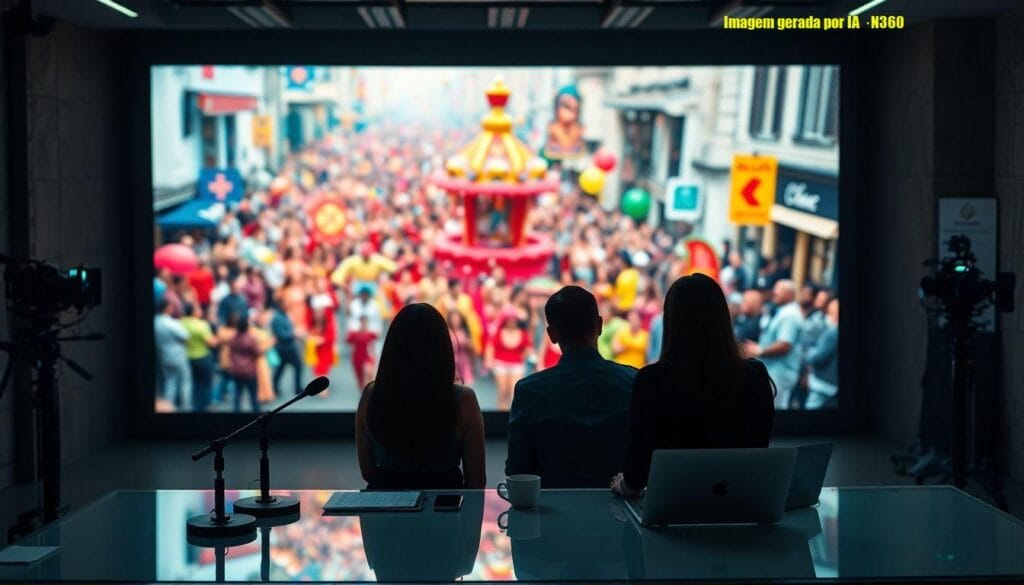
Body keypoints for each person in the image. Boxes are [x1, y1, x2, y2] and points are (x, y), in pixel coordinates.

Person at [611, 274, 775, 496]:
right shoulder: (754, 376)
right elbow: (758, 452)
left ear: (671, 321)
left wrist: (624, 486)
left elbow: (637, 473)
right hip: (739, 505)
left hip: (672, 506)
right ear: (722, 318)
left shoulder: (652, 380)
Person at [507, 286, 636, 488]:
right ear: (599, 325)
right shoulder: (634, 381)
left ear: (551, 335)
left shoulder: (530, 391)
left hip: (552, 507)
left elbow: (518, 471)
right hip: (619, 505)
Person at [355, 303, 486, 489]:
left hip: (389, 503)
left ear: (392, 347)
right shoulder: (464, 399)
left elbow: (368, 472)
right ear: (443, 347)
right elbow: (477, 481)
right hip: (445, 504)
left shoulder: (371, 396)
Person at [744, 279, 804, 410]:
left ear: (789, 294)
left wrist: (760, 350)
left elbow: (785, 345)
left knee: (774, 410)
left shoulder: (789, 315)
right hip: (776, 370)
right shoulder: (784, 311)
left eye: (778, 290)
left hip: (781, 372)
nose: (774, 292)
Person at [486, 309, 532, 411]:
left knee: (514, 390)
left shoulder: (523, 333)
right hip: (500, 363)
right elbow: (491, 347)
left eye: (513, 320)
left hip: (516, 363)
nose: (512, 322)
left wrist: (525, 356)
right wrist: (489, 360)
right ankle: (502, 412)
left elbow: (528, 348)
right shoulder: (498, 332)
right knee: (503, 390)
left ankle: (512, 412)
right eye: (509, 320)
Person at [154, 298, 192, 411]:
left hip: (163, 355)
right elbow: (186, 336)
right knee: (185, 381)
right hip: (177, 355)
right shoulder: (169, 322)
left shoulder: (155, 321)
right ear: (166, 308)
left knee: (170, 382)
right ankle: (185, 407)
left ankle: (168, 408)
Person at [180, 302, 217, 412]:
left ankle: (194, 406)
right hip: (202, 357)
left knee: (193, 383)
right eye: (197, 308)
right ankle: (203, 406)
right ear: (193, 312)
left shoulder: (181, 322)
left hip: (188, 357)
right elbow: (211, 343)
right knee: (205, 383)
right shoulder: (201, 325)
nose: (200, 310)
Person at [804, 298, 839, 409]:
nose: (827, 316)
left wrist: (809, 353)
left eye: (830, 313)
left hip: (823, 385)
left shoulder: (833, 332)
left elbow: (818, 358)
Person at [227, 318, 261, 413]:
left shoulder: (233, 338)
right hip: (249, 371)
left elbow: (230, 352)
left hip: (236, 369)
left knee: (237, 394)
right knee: (253, 394)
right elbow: (257, 352)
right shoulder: (250, 338)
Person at [270, 305, 304, 396]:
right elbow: (281, 334)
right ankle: (296, 388)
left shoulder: (285, 315)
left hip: (288, 348)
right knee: (296, 366)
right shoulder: (277, 318)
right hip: (284, 349)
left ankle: (276, 388)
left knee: (281, 368)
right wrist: (293, 334)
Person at [346, 315, 379, 389]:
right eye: (362, 322)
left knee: (368, 375)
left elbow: (375, 341)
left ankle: (371, 391)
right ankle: (364, 391)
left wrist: (374, 356)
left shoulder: (371, 334)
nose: (364, 324)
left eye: (365, 322)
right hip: (357, 358)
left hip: (368, 357)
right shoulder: (355, 334)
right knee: (360, 380)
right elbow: (348, 340)